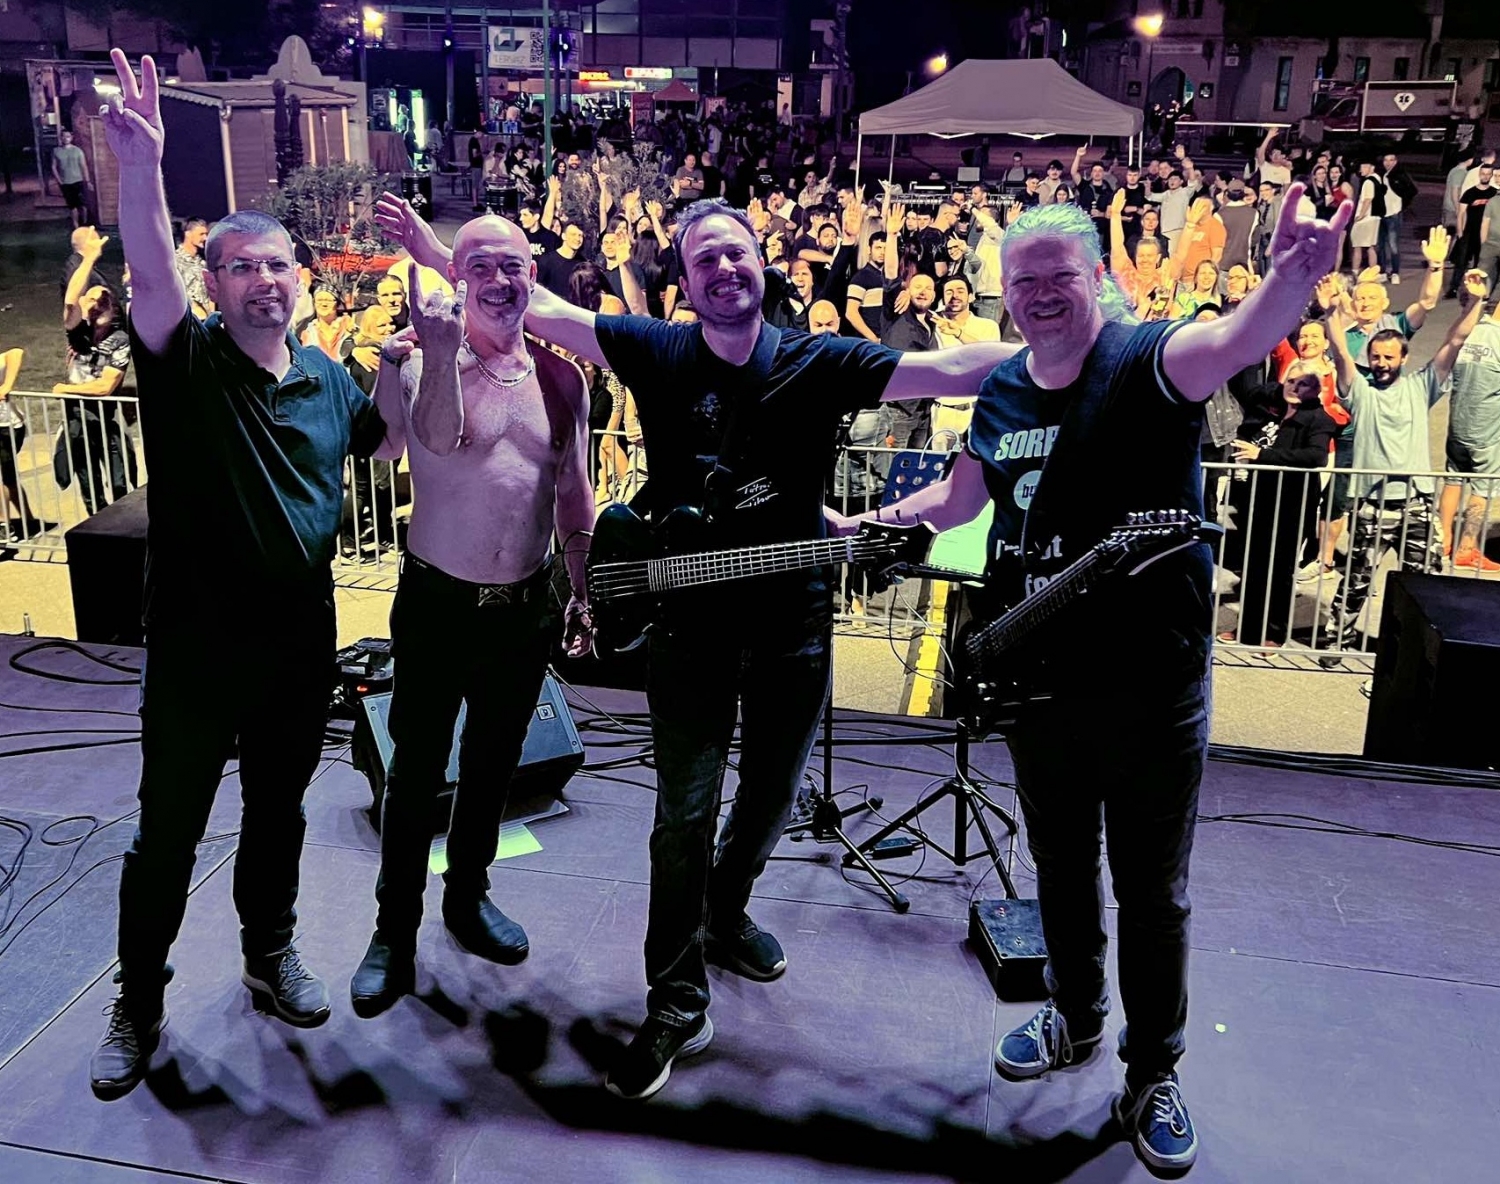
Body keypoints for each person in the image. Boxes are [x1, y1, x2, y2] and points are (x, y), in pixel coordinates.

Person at [827, 187, 1353, 1173]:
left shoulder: (1150, 359)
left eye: (1057, 276)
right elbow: (961, 497)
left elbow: (1240, 337)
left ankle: (1153, 1070)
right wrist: (873, 524)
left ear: (1097, 279)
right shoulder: (1002, 393)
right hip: (1042, 682)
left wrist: (1293, 276)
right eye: (1021, 280)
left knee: (1152, 893)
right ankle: (1073, 1017)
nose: (1038, 294)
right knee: (1061, 870)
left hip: (1151, 686)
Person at [491, 198, 1013, 1102]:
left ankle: (725, 909)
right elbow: (550, 310)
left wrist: (1072, 344)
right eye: (704, 261)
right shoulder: (659, 351)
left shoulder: (817, 360)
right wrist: (445, 259)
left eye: (735, 253)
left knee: (771, 802)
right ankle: (674, 1001)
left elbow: (946, 368)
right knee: (681, 819)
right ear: (684, 282)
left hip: (793, 629)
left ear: (760, 261)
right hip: (689, 633)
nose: (724, 270)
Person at [88, 50, 392, 1100]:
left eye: (279, 265)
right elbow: (146, 273)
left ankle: (270, 955)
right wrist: (143, 169)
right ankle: (139, 998)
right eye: (243, 267)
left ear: (302, 280)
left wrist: (421, 363)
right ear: (214, 283)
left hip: (298, 648)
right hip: (193, 652)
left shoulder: (327, 379)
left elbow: (385, 444)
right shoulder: (187, 363)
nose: (266, 279)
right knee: (166, 835)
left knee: (278, 815)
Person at [350, 206, 596, 1018]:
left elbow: (574, 493)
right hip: (438, 605)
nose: (498, 280)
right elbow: (433, 439)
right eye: (479, 266)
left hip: (524, 605)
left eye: (511, 265)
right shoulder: (423, 363)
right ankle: (393, 929)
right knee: (417, 771)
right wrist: (439, 349)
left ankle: (468, 896)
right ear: (455, 278)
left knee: (494, 765)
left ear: (533, 276)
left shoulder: (564, 380)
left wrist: (581, 589)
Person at [52, 128, 91, 228]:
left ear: (71, 138)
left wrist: (87, 181)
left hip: (79, 181)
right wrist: (59, 181)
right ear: (60, 138)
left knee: (82, 204)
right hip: (65, 182)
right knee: (72, 205)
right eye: (63, 136)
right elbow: (53, 167)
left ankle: (84, 223)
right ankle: (76, 226)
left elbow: (83, 166)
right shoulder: (56, 151)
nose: (66, 138)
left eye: (68, 136)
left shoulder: (78, 151)